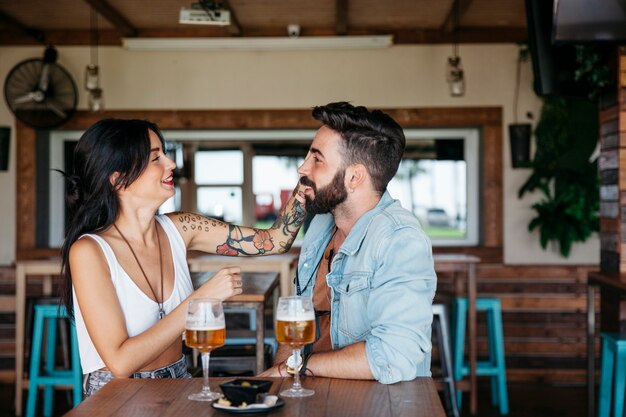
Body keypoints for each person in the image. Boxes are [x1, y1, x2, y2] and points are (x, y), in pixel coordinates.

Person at [59, 118, 306, 396]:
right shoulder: (89, 251)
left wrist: (305, 187)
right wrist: (200, 299)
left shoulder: (181, 227)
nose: (171, 163)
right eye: (156, 158)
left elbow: (274, 240)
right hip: (117, 393)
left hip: (179, 378)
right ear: (118, 179)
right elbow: (120, 362)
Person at [260, 102, 436, 384]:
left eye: (317, 159)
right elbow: (296, 324)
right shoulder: (320, 226)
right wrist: (277, 388)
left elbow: (393, 357)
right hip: (311, 394)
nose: (302, 167)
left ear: (355, 176)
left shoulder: (400, 239)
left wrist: (297, 367)